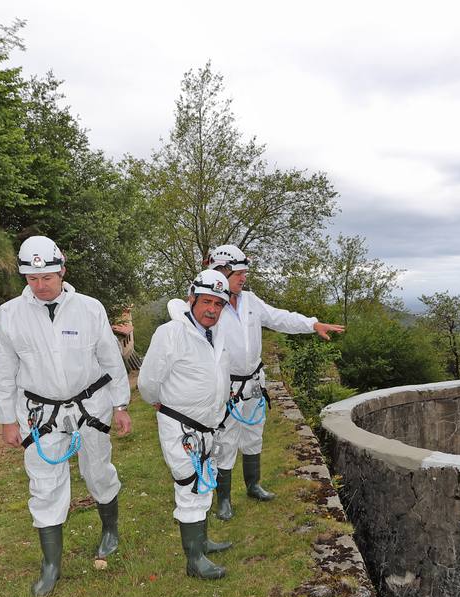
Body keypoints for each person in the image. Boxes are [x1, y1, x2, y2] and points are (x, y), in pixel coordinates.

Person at [0, 235, 131, 597]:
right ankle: (51, 564)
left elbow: (110, 359)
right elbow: (3, 370)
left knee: (98, 470)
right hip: (41, 413)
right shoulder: (10, 314)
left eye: (47, 277)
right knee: (44, 484)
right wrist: (6, 419)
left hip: (90, 407)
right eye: (33, 279)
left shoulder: (89, 308)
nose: (40, 285)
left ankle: (110, 529)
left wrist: (120, 405)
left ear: (62, 271)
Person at [204, 244, 344, 520]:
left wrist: (312, 324)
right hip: (227, 386)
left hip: (254, 381)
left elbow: (279, 318)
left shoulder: (250, 301)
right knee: (226, 439)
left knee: (254, 433)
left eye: (244, 273)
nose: (243, 278)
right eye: (238, 274)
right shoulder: (210, 306)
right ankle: (224, 499)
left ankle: (253, 485)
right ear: (221, 272)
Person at [137, 270, 236, 579]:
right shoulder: (171, 333)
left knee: (204, 480)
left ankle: (202, 542)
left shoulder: (216, 334)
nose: (212, 310)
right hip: (181, 425)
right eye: (206, 302)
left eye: (218, 304)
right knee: (189, 484)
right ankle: (194, 560)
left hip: (209, 425)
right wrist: (159, 402)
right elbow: (148, 382)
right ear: (191, 298)